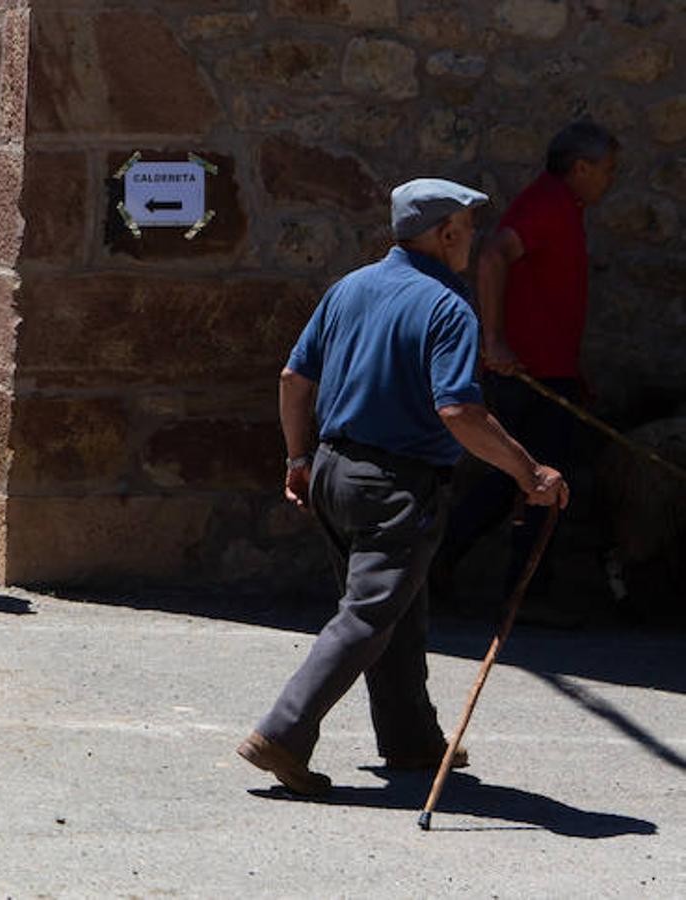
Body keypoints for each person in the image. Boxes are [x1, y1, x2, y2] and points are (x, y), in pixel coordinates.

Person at [237, 179, 569, 797]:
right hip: (396, 486)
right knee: (368, 614)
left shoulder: (351, 287)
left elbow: (292, 377)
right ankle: (283, 731)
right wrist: (530, 473)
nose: (473, 239)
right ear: (445, 233)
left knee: (396, 607)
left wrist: (298, 457)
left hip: (334, 472)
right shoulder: (448, 306)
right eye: (468, 228)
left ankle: (411, 738)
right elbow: (460, 413)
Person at [434, 121, 620, 621]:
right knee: (528, 478)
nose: (609, 180)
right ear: (580, 168)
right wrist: (492, 339)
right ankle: (519, 592)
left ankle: (462, 571)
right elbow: (494, 255)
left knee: (519, 478)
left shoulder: (561, 206)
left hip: (547, 370)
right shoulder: (549, 205)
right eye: (606, 170)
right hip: (529, 372)